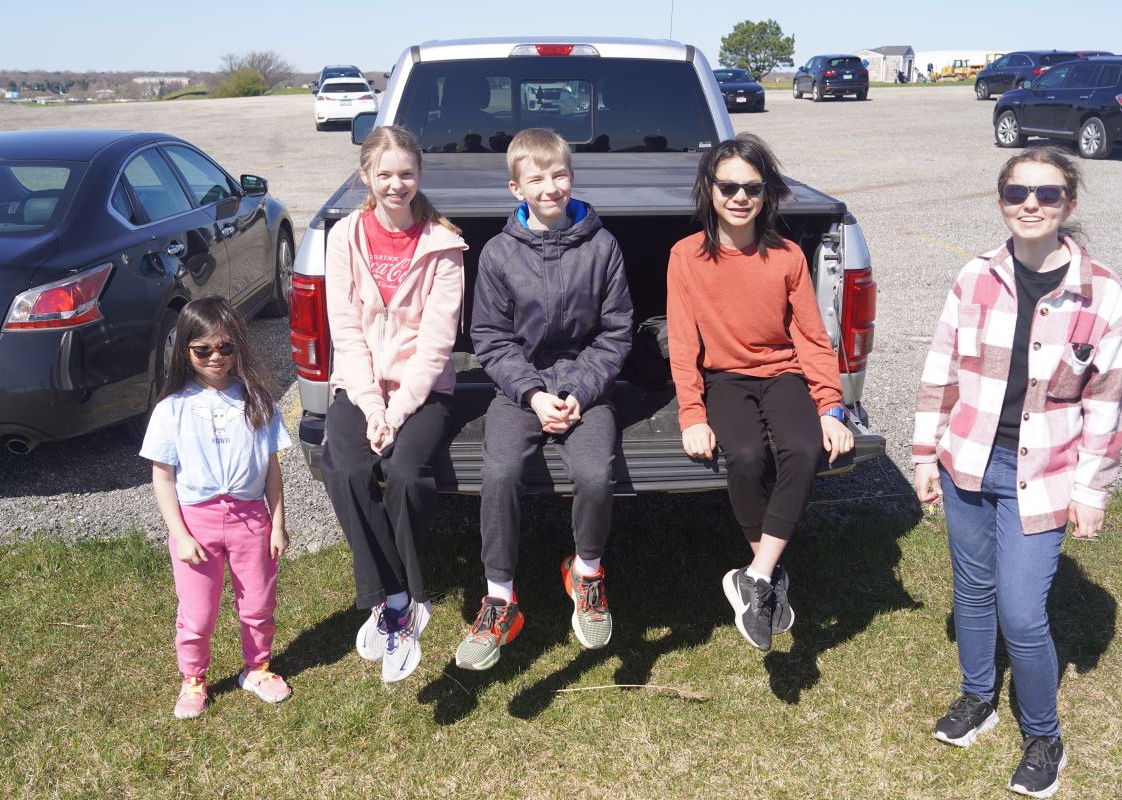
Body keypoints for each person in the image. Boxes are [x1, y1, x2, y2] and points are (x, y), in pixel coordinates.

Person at [913, 146, 1122, 799]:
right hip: (968, 460)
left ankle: (1044, 737)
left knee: (1021, 610)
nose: (1030, 204)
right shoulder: (975, 277)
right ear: (1001, 200)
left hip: (1046, 473)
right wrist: (926, 455)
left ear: (1069, 203)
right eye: (1017, 193)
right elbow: (939, 372)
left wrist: (1092, 492)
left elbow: (1108, 402)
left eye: (1046, 193)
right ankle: (978, 699)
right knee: (973, 592)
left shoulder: (1102, 293)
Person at [666, 133, 854, 653]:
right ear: (709, 190)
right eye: (728, 186)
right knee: (746, 455)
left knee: (804, 447)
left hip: (782, 374)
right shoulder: (685, 257)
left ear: (767, 194)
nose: (740, 197)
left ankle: (756, 575)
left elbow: (813, 338)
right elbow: (682, 343)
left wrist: (831, 406)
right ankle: (766, 578)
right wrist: (691, 415)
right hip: (724, 378)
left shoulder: (789, 257)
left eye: (752, 187)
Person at [455, 128, 633, 671]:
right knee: (502, 472)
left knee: (597, 475)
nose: (550, 187)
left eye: (558, 175)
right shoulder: (499, 253)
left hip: (588, 384)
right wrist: (533, 394)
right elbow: (489, 336)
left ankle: (586, 571)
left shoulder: (602, 247)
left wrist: (579, 392)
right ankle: (501, 598)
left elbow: (616, 331)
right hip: (520, 388)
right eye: (536, 179)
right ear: (516, 188)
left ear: (571, 177)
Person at [320, 124, 467, 683]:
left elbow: (436, 345)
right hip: (361, 385)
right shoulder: (344, 238)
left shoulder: (444, 245)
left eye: (406, 173)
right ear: (366, 176)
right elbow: (345, 331)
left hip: (421, 389)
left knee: (405, 473)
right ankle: (402, 598)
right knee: (348, 467)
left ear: (419, 176)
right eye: (384, 174)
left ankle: (400, 600)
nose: (395, 184)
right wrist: (369, 404)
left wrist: (397, 410)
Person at [141, 296, 293, 719]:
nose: (215, 357)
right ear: (185, 350)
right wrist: (181, 534)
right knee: (198, 610)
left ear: (238, 347)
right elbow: (163, 477)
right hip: (196, 522)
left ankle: (257, 668)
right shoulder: (171, 409)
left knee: (259, 602)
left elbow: (271, 470)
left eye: (225, 347)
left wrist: (277, 524)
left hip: (251, 521)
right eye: (203, 349)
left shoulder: (258, 401)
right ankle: (194, 678)